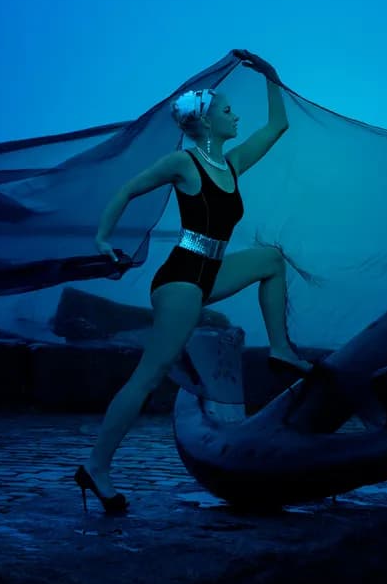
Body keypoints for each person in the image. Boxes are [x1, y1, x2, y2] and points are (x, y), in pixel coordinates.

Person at [75, 49, 314, 514]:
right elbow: (126, 189)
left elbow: (277, 127)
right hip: (182, 275)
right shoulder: (185, 163)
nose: (235, 115)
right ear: (205, 122)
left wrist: (272, 76)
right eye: (227, 110)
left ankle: (281, 349)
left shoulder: (233, 164)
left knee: (270, 259)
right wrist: (103, 238)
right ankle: (96, 467)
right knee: (151, 373)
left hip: (213, 269)